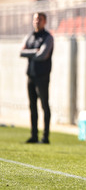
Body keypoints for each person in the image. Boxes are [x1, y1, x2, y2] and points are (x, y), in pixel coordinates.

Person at [20, 12, 54, 144]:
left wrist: (31, 53)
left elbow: (43, 55)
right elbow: (21, 52)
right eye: (35, 19)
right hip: (31, 75)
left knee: (44, 105)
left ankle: (45, 136)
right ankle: (34, 135)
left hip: (42, 76)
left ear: (45, 21)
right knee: (32, 106)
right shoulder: (30, 36)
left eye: (40, 19)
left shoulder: (48, 37)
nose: (37, 21)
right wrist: (35, 51)